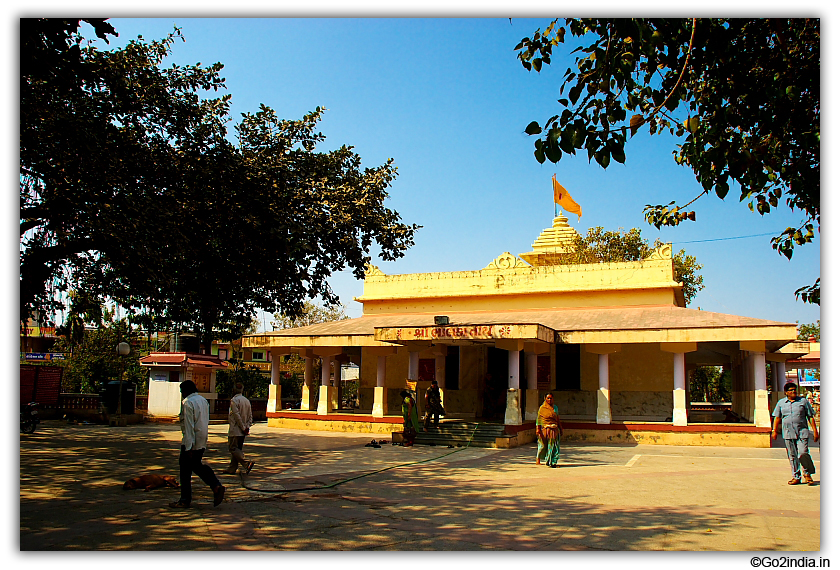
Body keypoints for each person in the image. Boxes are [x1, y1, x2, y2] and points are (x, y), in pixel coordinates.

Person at [169, 380, 226, 508]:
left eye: (182, 391)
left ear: (185, 391)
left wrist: (189, 447)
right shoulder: (203, 400)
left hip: (191, 441)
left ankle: (186, 499)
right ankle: (215, 485)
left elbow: (189, 426)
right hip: (202, 438)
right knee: (196, 466)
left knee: (185, 471)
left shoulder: (188, 403)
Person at [771, 382, 819, 486]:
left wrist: (815, 431)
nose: (793, 392)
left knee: (803, 453)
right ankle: (796, 476)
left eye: (794, 390)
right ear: (786, 392)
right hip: (788, 432)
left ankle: (807, 473)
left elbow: (810, 416)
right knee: (792, 455)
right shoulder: (781, 403)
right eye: (791, 390)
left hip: (802, 432)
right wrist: (774, 431)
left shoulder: (803, 401)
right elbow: (777, 417)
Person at [222, 382, 255, 475]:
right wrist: (247, 426)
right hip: (243, 430)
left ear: (234, 390)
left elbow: (237, 416)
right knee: (237, 449)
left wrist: (243, 427)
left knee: (233, 448)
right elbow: (250, 416)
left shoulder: (234, 401)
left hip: (236, 429)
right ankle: (232, 468)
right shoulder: (246, 400)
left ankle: (246, 462)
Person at [536, 393, 563, 468]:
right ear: (545, 399)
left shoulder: (555, 408)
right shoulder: (542, 408)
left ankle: (553, 462)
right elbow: (539, 420)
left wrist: (561, 428)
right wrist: (538, 429)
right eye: (548, 398)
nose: (549, 400)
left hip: (554, 430)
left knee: (554, 446)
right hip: (546, 429)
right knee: (544, 445)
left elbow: (558, 419)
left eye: (551, 398)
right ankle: (542, 460)